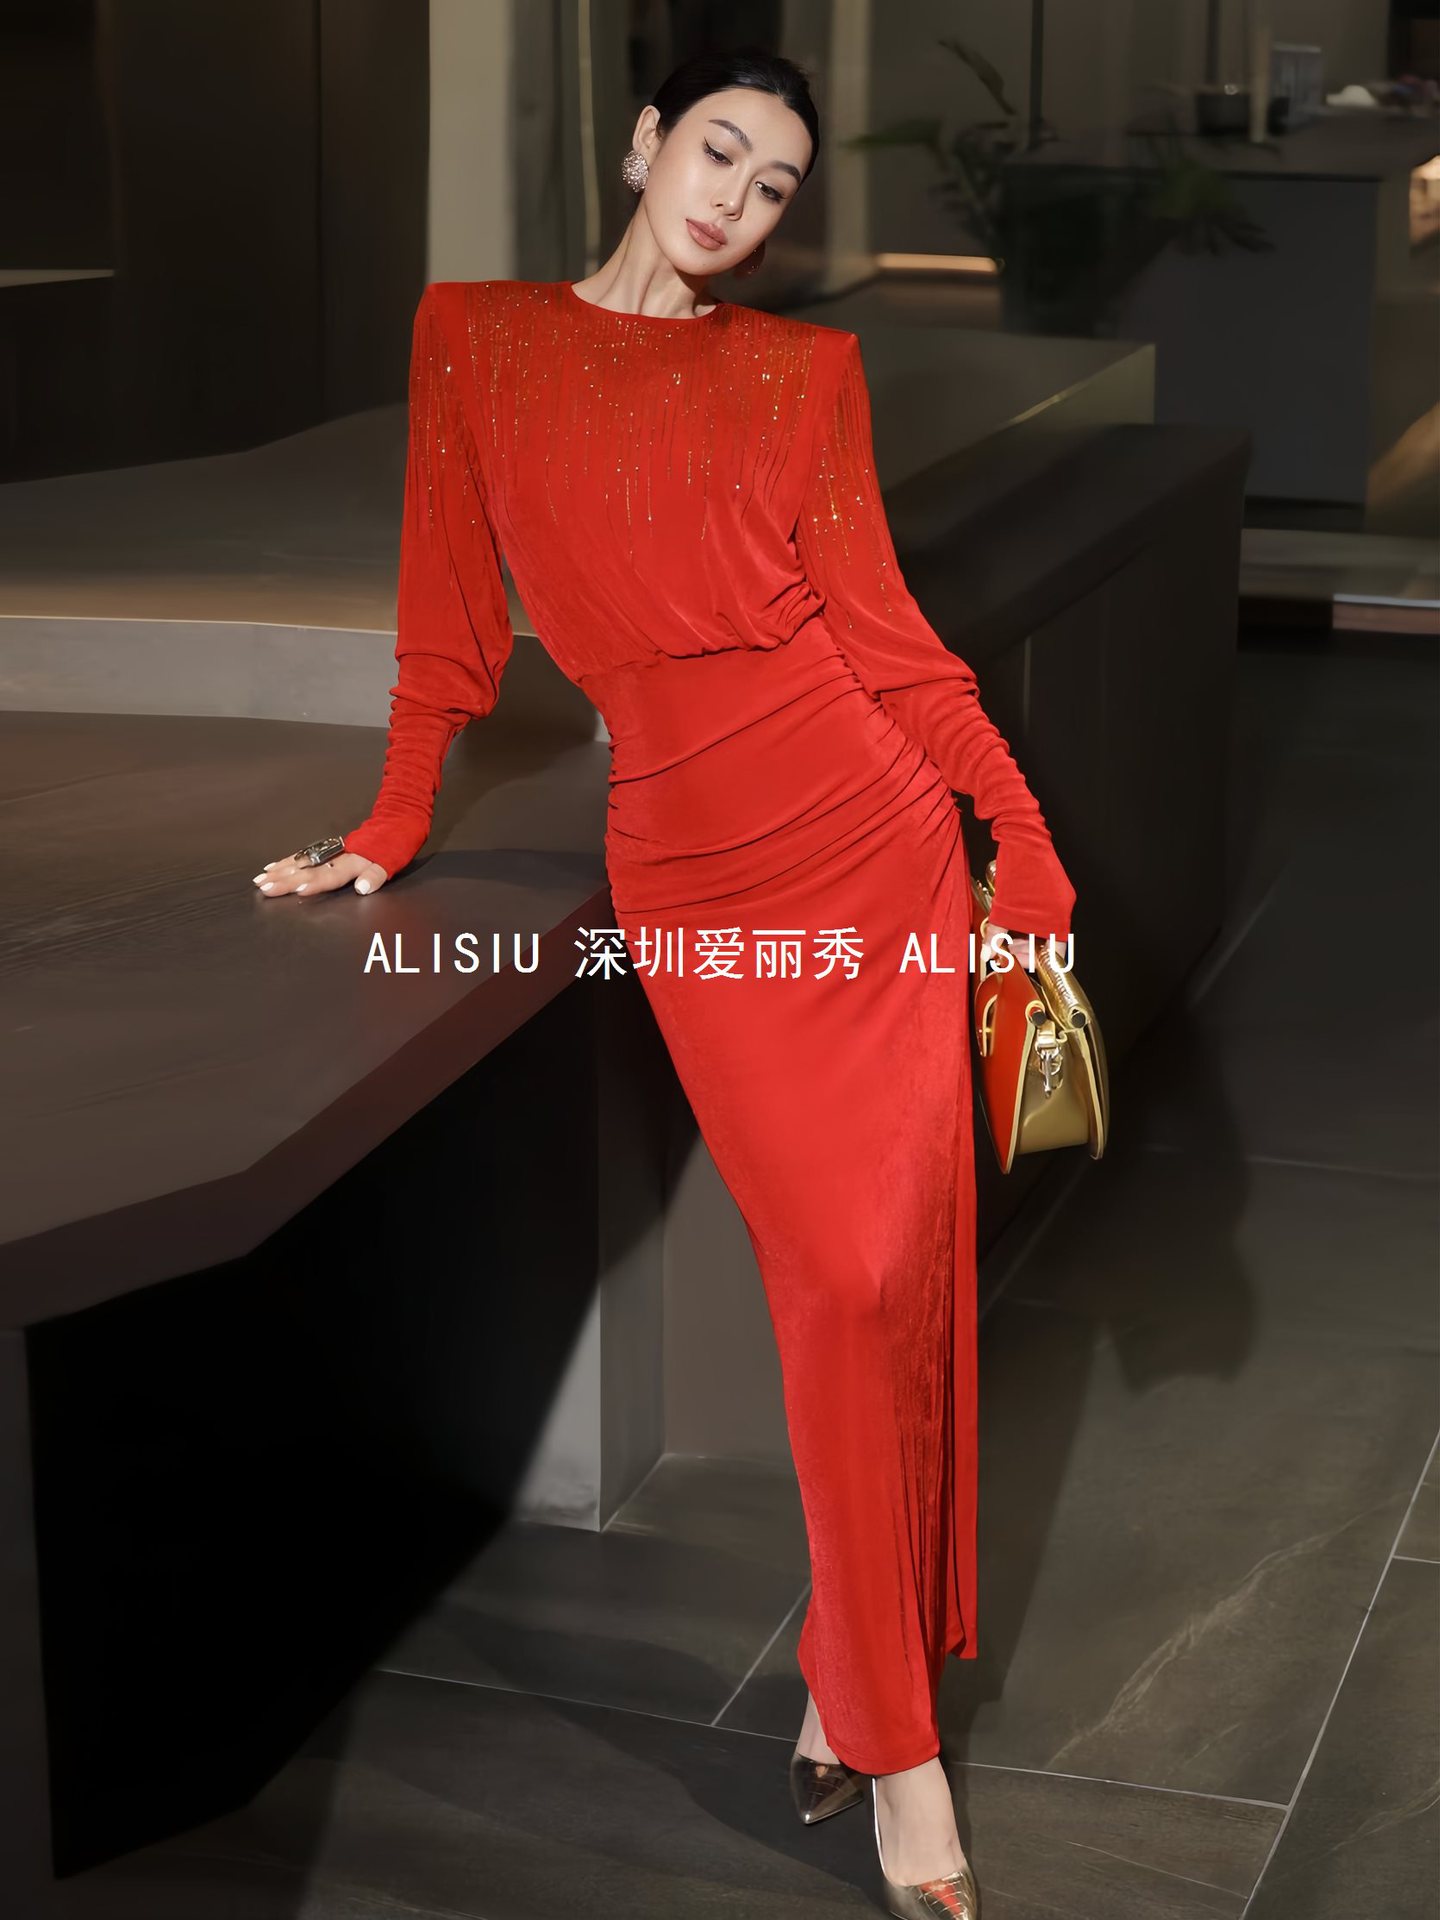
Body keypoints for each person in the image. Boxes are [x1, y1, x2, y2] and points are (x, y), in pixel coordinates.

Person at [251, 45, 1075, 1920]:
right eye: (716, 152)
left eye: (774, 186)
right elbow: (448, 621)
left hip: (872, 843)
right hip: (699, 879)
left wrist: (1016, 830)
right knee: (835, 1279)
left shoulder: (800, 374)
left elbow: (887, 640)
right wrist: (391, 824)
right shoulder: (474, 339)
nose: (735, 201)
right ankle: (883, 1715)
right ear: (643, 142)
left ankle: (877, 1717)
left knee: (888, 1279)